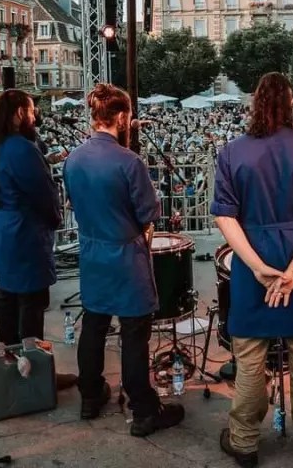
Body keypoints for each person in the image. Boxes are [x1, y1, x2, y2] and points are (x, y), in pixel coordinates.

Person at [211, 72, 293, 468]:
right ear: (292, 103)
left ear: (255, 103)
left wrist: (257, 267)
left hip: (252, 257)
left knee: (249, 354)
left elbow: (225, 218)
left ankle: (244, 442)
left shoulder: (232, 153)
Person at [63, 83, 185, 437]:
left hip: (92, 254)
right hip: (126, 257)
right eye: (128, 117)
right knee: (134, 335)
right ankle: (144, 410)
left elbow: (73, 202)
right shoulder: (129, 162)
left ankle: (90, 396)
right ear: (120, 117)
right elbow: (148, 212)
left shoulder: (73, 159)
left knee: (94, 326)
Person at [0, 90, 62, 348]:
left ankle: (8, 359)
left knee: (7, 300)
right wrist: (54, 220)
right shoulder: (22, 148)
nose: (34, 117)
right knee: (31, 304)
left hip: (2, 230)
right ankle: (32, 363)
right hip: (25, 233)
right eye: (31, 111)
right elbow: (43, 194)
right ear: (19, 113)